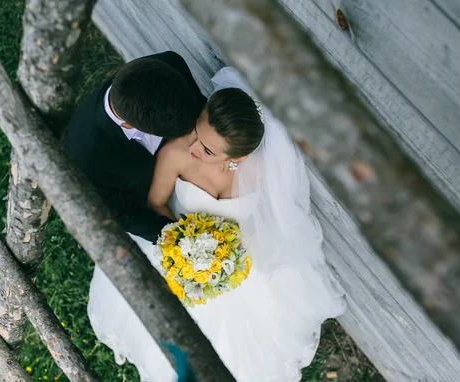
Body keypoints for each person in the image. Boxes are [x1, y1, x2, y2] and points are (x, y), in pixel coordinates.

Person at [87, 67, 347, 381]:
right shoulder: (176, 154)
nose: (194, 147)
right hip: (178, 251)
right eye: (197, 132)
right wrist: (184, 251)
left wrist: (228, 257)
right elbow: (156, 204)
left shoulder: (263, 169)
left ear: (236, 158)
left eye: (208, 150)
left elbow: (269, 218)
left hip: (240, 261)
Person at [64, 51, 206, 242]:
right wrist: (185, 243)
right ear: (129, 126)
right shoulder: (85, 158)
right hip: (160, 207)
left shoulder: (170, 63)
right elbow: (123, 213)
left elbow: (201, 111)